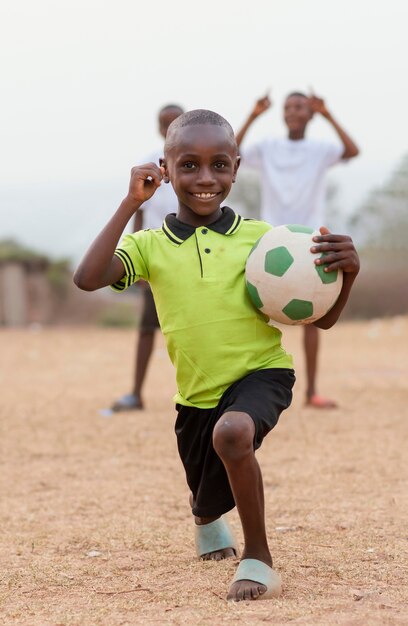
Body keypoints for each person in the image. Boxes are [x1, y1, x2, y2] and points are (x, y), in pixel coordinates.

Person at [74, 109, 360, 601]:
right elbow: (88, 277)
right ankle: (207, 518)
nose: (205, 179)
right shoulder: (148, 246)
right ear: (165, 168)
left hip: (262, 374)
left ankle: (259, 557)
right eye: (189, 166)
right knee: (205, 495)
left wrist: (348, 275)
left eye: (219, 165)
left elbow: (321, 319)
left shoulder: (264, 240)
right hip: (196, 395)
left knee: (234, 433)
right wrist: (130, 202)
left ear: (236, 167)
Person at [236, 91, 359, 409]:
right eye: (288, 107)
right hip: (270, 236)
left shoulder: (320, 149)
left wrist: (329, 113)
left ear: (310, 113)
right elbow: (231, 151)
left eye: (300, 107)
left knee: (315, 306)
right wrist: (252, 115)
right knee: (252, 309)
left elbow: (352, 150)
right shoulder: (268, 147)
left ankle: (312, 390)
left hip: (311, 237)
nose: (292, 111)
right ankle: (245, 386)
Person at [111, 103, 184, 412]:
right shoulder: (149, 162)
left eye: (175, 123)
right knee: (146, 326)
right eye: (165, 124)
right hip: (158, 257)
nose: (169, 128)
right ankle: (136, 393)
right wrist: (137, 259)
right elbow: (138, 214)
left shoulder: (194, 161)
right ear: (158, 128)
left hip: (192, 253)